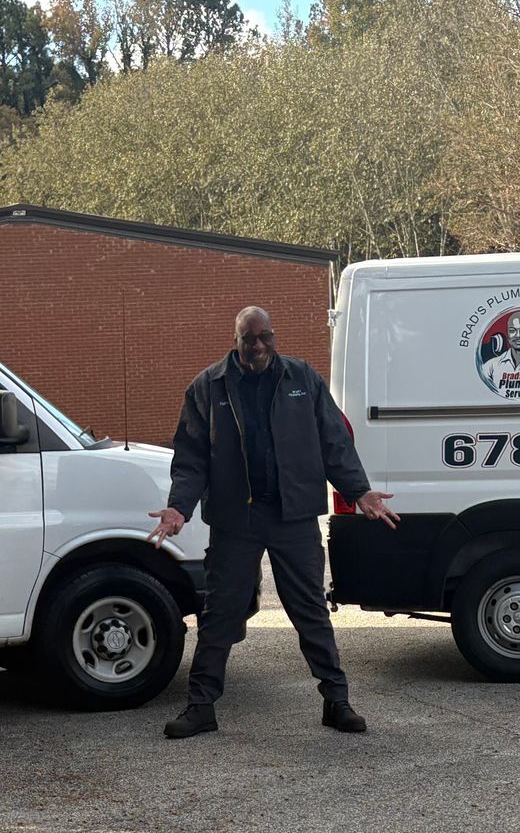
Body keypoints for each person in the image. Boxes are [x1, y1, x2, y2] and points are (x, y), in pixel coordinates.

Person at [149, 306, 398, 739]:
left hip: (293, 516)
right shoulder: (208, 387)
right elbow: (190, 459)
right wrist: (178, 508)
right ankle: (201, 707)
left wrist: (359, 491)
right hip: (235, 519)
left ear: (274, 337)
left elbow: (333, 441)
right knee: (220, 614)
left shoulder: (302, 380)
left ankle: (336, 701)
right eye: (249, 339)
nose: (258, 346)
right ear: (236, 341)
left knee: (310, 611)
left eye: (265, 337)